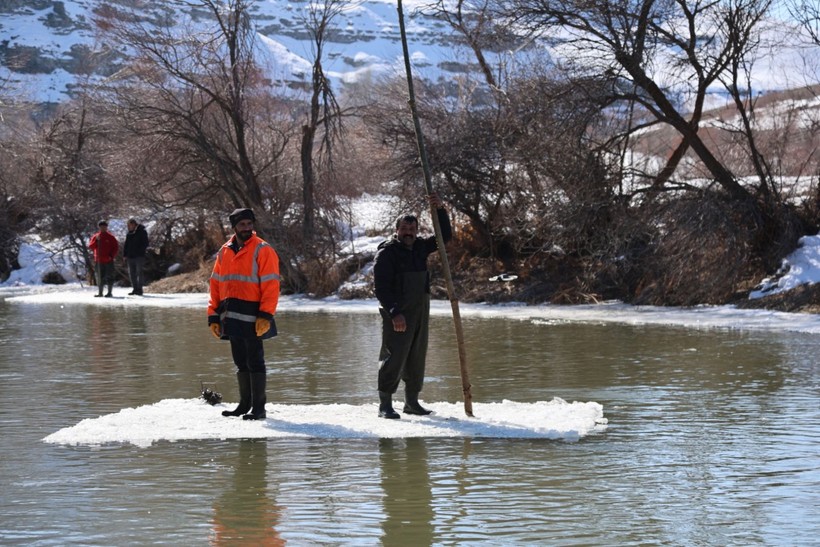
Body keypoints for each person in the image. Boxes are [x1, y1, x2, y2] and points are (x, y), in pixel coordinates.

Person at [373, 192, 452, 419]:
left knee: (417, 357)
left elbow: (444, 236)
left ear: (417, 230)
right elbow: (380, 288)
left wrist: (440, 209)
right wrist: (394, 312)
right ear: (397, 230)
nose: (408, 233)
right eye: (404, 229)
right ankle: (385, 405)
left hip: (420, 313)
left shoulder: (420, 247)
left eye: (412, 229)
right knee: (393, 357)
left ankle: (412, 402)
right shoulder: (387, 253)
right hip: (397, 314)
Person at [208, 208, 280, 421]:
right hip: (231, 313)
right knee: (240, 360)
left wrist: (266, 315)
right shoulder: (224, 251)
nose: (247, 228)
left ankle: (259, 408)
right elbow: (215, 284)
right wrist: (213, 315)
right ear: (234, 228)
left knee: (255, 360)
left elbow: (271, 285)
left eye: (249, 224)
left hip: (254, 314)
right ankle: (244, 404)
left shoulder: (263, 250)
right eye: (242, 225)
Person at [88, 220, 119, 298]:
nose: (103, 228)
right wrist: (96, 241)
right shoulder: (96, 236)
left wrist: (111, 256)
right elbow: (91, 246)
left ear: (106, 227)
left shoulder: (111, 237)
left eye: (104, 227)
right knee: (99, 277)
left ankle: (109, 292)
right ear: (99, 227)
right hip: (98, 261)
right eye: (101, 227)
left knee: (110, 276)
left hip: (108, 260)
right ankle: (100, 292)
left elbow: (115, 248)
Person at [123, 218, 149, 296]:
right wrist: (125, 255)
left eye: (131, 225)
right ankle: (134, 288)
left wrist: (140, 251)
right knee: (132, 273)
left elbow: (145, 243)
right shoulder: (129, 234)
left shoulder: (142, 232)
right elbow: (126, 245)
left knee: (139, 272)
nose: (130, 227)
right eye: (128, 225)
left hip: (139, 256)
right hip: (130, 256)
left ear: (135, 224)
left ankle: (139, 289)